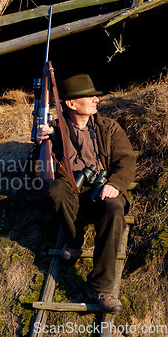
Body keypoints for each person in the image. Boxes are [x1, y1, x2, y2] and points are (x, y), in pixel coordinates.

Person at [36, 73, 136, 313]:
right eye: (89, 96)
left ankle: (100, 288)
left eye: (95, 96)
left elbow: (126, 160)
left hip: (103, 191)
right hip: (72, 193)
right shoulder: (56, 132)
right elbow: (40, 171)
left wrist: (115, 184)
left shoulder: (108, 127)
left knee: (114, 208)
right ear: (71, 104)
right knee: (55, 190)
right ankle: (74, 238)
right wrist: (40, 144)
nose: (95, 100)